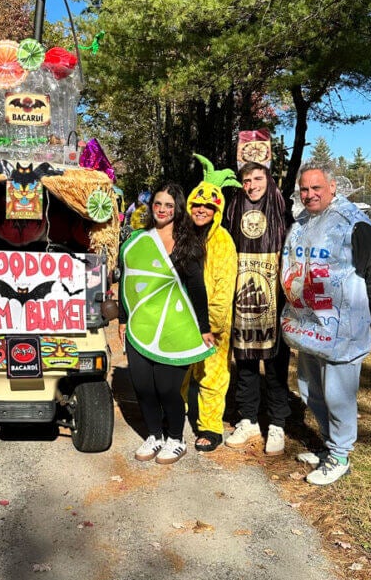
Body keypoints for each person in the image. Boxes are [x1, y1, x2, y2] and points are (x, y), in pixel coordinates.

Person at [280, 164, 371, 485]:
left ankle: (340, 456)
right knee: (310, 391)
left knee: (337, 394)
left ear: (332, 187)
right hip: (309, 326)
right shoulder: (303, 222)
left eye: (316, 188)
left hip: (342, 329)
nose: (309, 194)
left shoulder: (352, 224)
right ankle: (330, 447)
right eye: (304, 189)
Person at [118, 182, 214, 465]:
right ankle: (155, 435)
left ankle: (176, 439)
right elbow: (129, 281)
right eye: (158, 204)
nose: (161, 209)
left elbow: (197, 288)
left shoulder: (187, 243)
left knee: (168, 389)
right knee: (143, 386)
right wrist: (124, 319)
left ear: (177, 209)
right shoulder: (138, 241)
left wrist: (204, 327)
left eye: (168, 205)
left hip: (176, 326)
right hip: (141, 324)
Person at [224, 161, 291, 455]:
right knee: (246, 363)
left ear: (269, 179)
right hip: (242, 296)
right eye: (247, 180)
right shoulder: (233, 208)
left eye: (258, 178)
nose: (252, 185)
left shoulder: (280, 209)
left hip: (274, 298)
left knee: (276, 365)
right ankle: (248, 419)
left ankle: (277, 423)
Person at [184, 155, 239, 451]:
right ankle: (171, 418)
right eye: (197, 204)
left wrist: (213, 324)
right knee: (177, 372)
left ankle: (210, 426)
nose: (202, 209)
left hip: (212, 325)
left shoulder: (223, 242)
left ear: (217, 209)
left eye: (209, 205)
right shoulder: (181, 235)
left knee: (211, 375)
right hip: (181, 319)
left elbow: (224, 286)